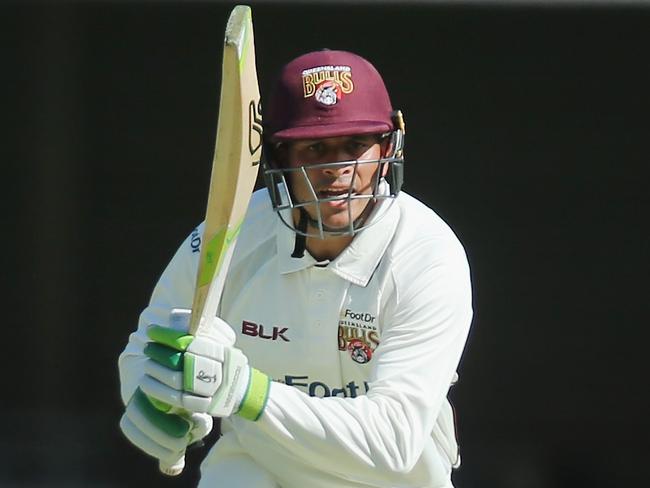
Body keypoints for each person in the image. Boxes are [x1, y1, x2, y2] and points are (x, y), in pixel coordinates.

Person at [118, 49, 473, 488]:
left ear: (386, 149)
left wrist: (248, 392)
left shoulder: (427, 255)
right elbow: (153, 342)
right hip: (261, 466)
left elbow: (393, 444)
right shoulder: (231, 236)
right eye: (315, 147)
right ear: (280, 158)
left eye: (354, 145)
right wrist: (153, 396)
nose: (336, 169)